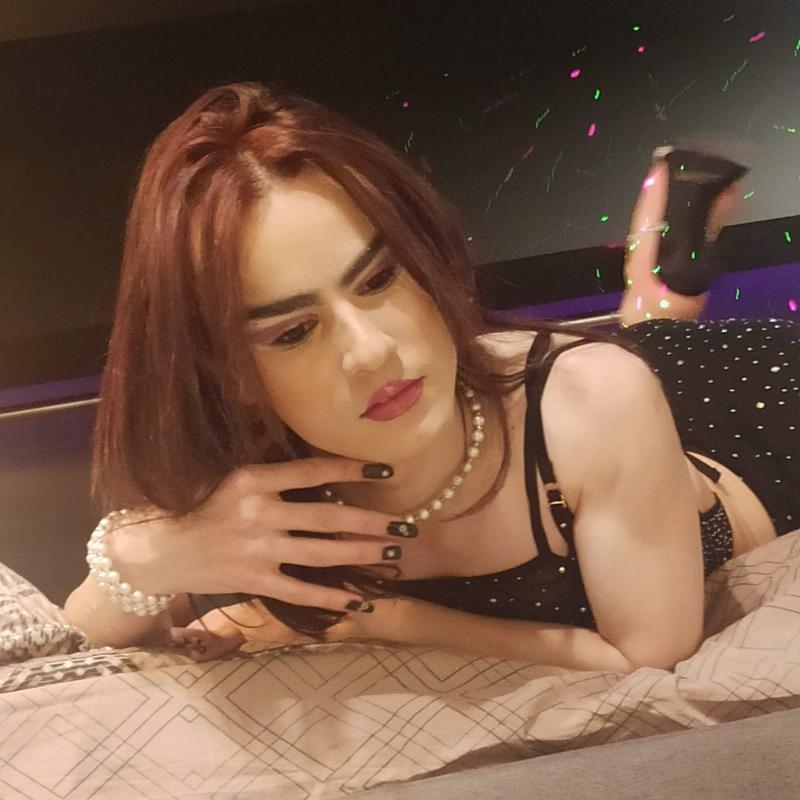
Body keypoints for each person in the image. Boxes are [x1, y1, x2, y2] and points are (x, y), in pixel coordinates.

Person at [64, 82, 799, 673]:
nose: (370, 350)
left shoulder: (597, 402)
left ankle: (660, 287)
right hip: (605, 407)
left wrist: (375, 618)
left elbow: (646, 658)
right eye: (292, 331)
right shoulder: (240, 469)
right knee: (640, 344)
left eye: (379, 279)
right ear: (224, 373)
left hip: (755, 417)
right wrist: (148, 554)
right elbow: (88, 631)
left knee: (634, 361)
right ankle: (660, 285)